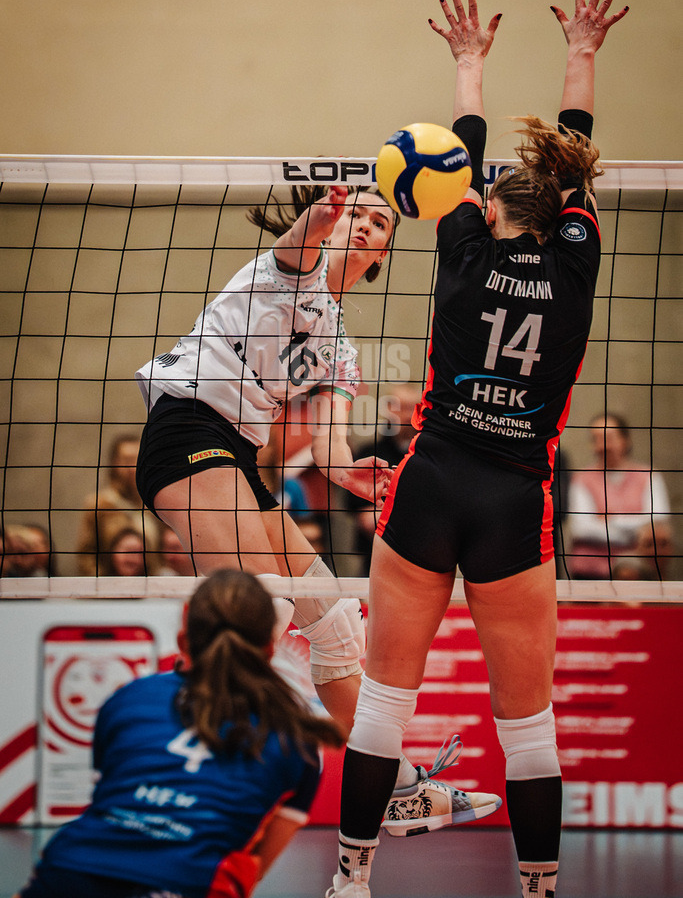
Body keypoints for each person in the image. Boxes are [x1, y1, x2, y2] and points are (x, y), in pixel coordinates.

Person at [325, 0, 628, 898]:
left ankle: (350, 880)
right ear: (563, 217)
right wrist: (582, 54)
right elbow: (569, 164)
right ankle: (536, 888)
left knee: (382, 705)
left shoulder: (463, 256)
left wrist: (467, 66)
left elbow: (459, 158)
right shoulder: (575, 271)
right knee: (526, 726)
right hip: (511, 499)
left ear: (491, 211)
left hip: (432, 480)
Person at [135, 183, 498, 825]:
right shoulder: (285, 273)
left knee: (332, 617)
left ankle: (397, 787)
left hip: (236, 455)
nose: (364, 225)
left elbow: (327, 444)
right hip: (189, 431)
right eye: (356, 213)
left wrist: (348, 473)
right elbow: (296, 246)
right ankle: (168, 775)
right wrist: (320, 215)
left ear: (384, 252)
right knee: (257, 612)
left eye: (379, 221)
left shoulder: (339, 346)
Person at [15, 569, 346, 898]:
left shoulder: (129, 698)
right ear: (270, 650)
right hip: (186, 883)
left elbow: (113, 794)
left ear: (182, 642)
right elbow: (253, 869)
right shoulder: (298, 739)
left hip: (71, 869)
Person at [567, 412, 672, 579]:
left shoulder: (649, 475)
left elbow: (657, 520)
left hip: (640, 574)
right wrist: (636, 532)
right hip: (590, 573)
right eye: (596, 439)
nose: (602, 446)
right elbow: (581, 529)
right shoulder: (581, 479)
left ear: (625, 440)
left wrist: (609, 520)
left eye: (608, 438)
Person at [347, 383, 422, 574]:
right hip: (374, 556)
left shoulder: (428, 457)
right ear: (388, 409)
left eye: (408, 408)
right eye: (396, 406)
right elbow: (365, 519)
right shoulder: (369, 453)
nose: (403, 414)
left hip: (421, 557)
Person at [76, 433, 161, 575]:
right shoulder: (100, 504)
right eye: (127, 460)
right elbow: (86, 555)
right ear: (114, 463)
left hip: (152, 588)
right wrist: (105, 586)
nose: (132, 467)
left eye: (137, 460)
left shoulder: (156, 504)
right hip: (111, 588)